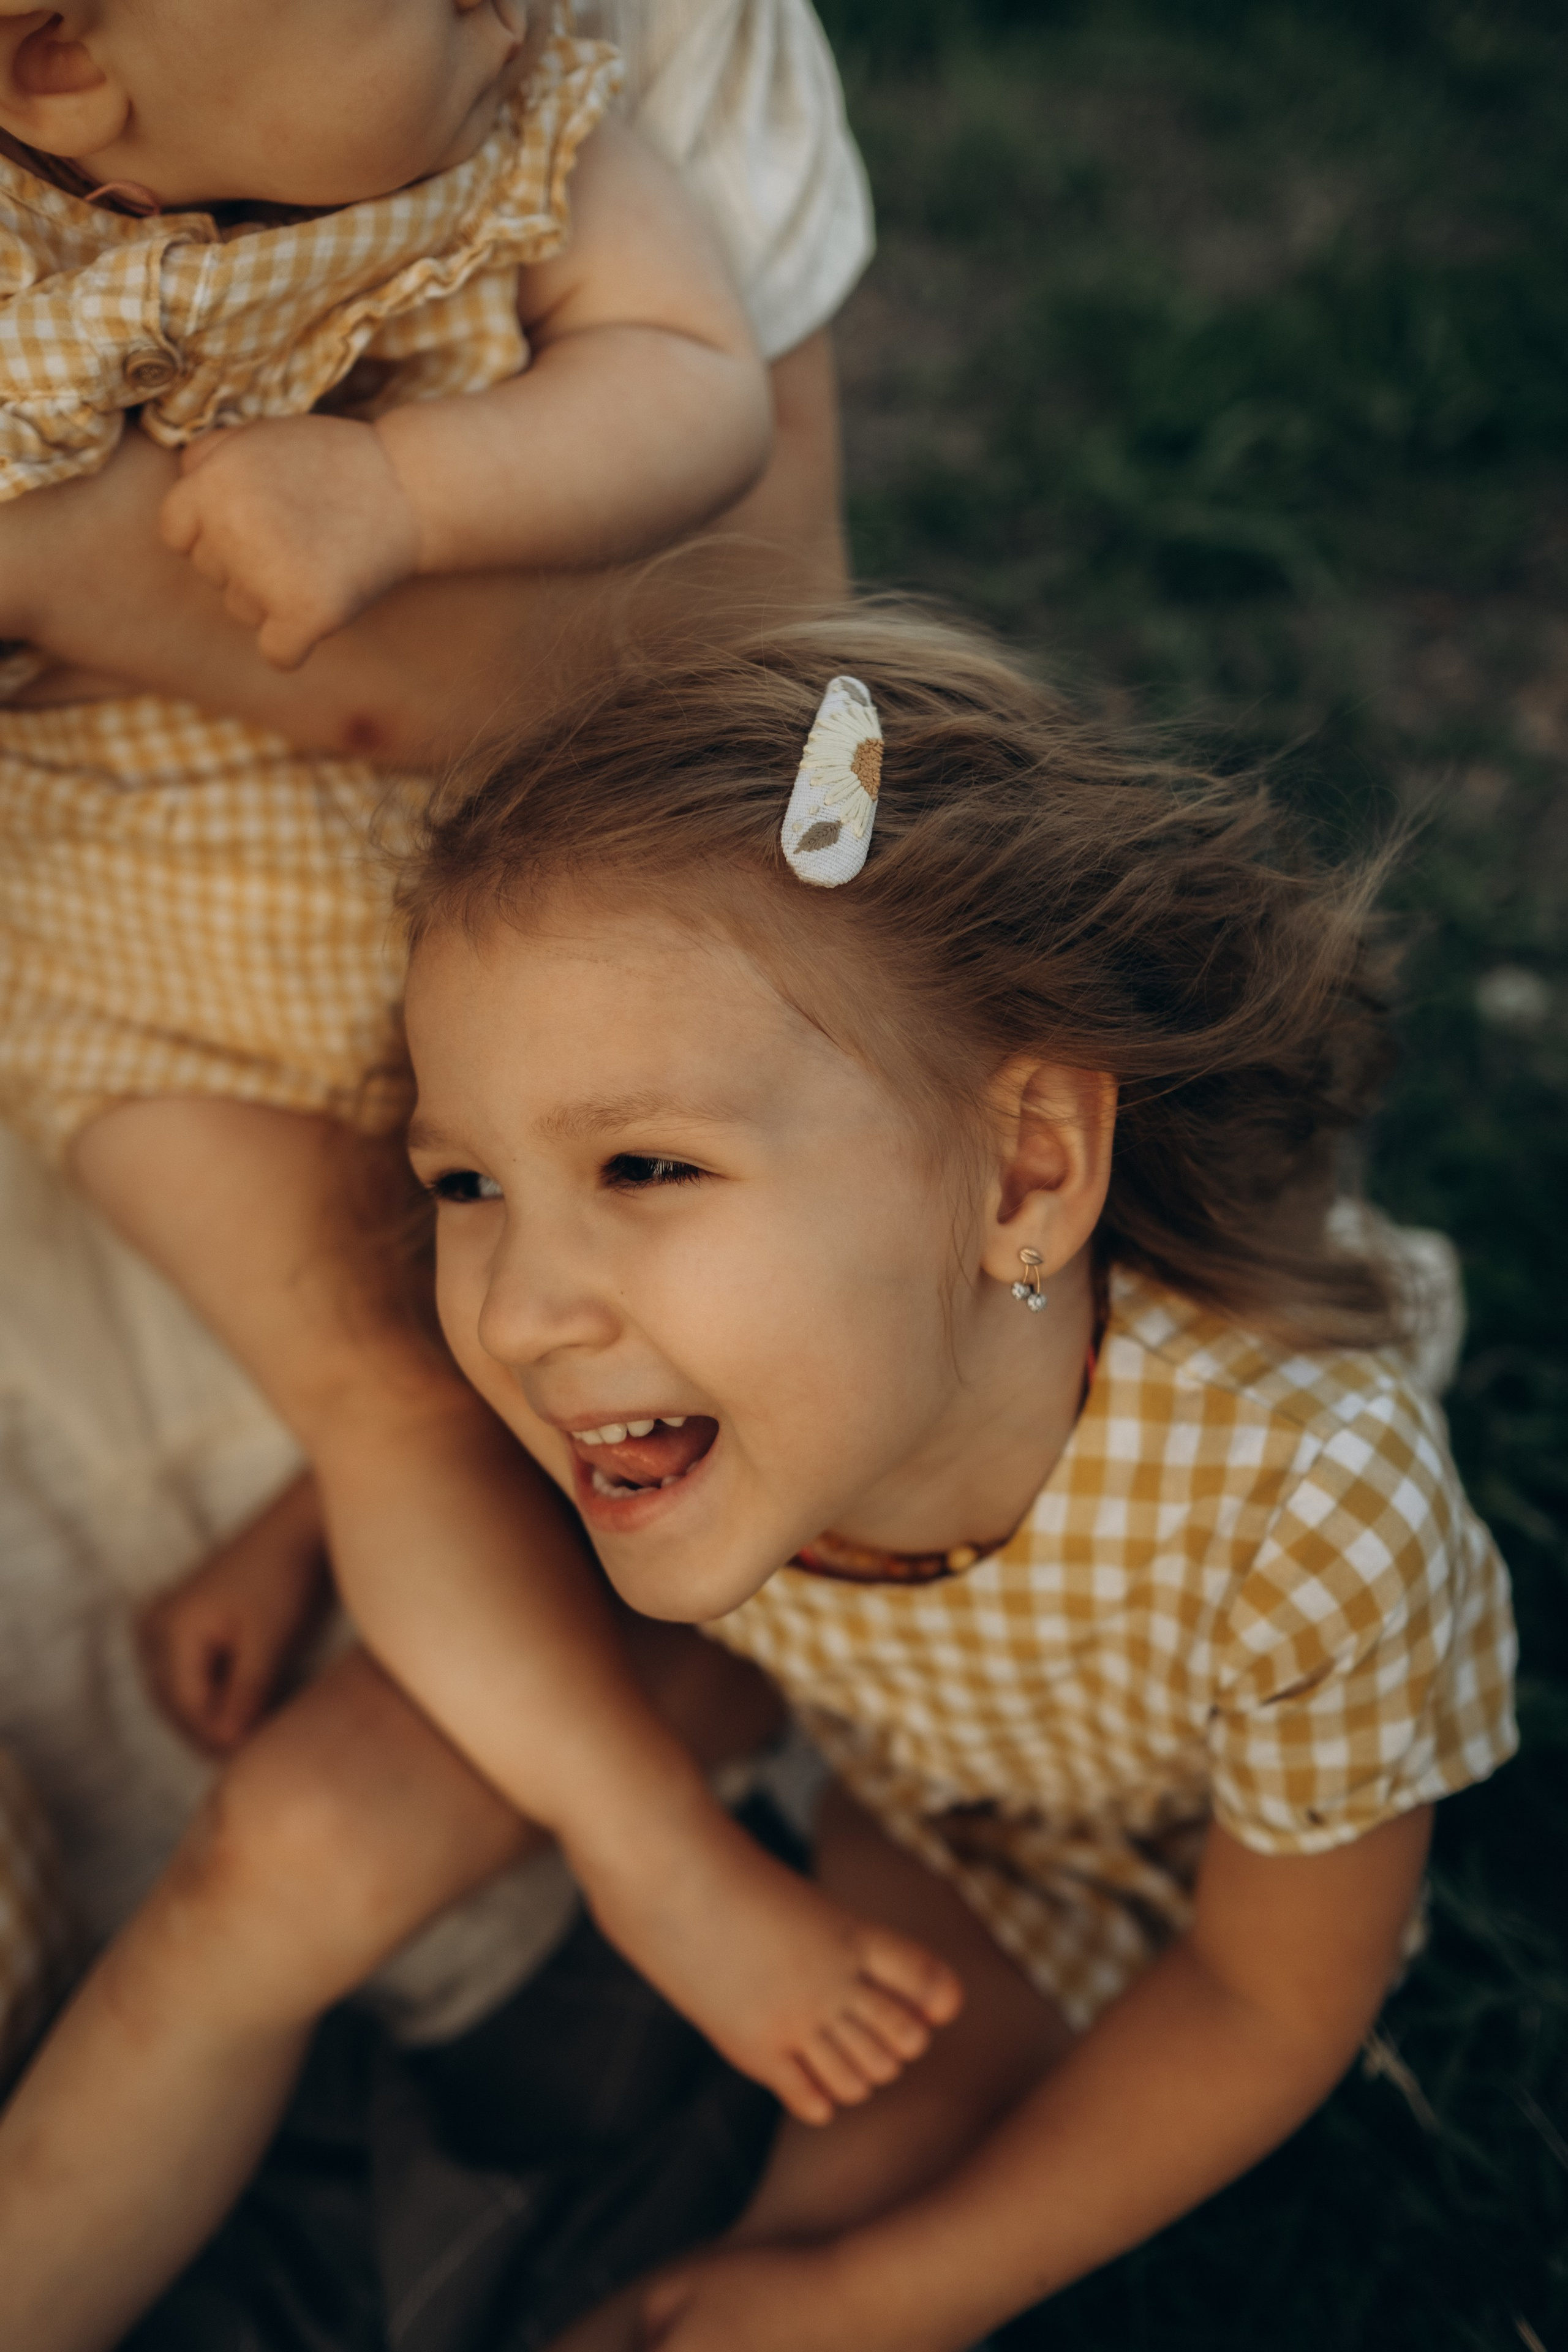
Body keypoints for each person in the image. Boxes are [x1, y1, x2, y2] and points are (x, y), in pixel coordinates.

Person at [0, 0, 957, 2192]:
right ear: (63, 67)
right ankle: (646, 1846)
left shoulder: (526, 118)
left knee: (556, 1310)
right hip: (126, 994)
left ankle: (746, 1746)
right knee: (382, 1400)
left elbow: (696, 391)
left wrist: (407, 486)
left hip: (479, 945)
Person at [359, 604, 1509, 2352]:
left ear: (1022, 1171)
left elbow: (1267, 2000)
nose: (518, 1313)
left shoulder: (1304, 1512)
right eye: (466, 1185)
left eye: (646, 1165)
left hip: (1139, 1860)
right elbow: (410, 1458)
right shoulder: (715, 1401)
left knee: (838, 2246)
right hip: (913, 1793)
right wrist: (301, 1527)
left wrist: (867, 2302)